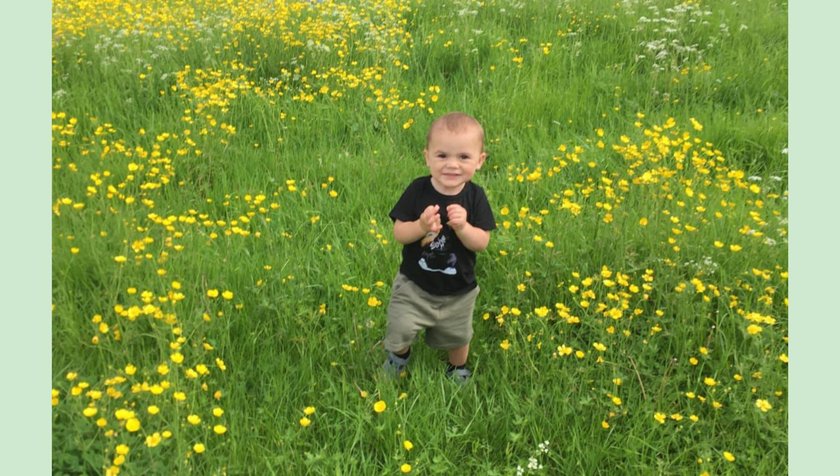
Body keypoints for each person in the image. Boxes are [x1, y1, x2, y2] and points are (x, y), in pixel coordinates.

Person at [382, 112, 496, 383]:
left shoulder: (475, 197)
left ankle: (457, 369)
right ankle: (398, 359)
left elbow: (482, 243)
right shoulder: (418, 190)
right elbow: (399, 232)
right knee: (399, 328)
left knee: (458, 336)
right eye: (442, 156)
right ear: (427, 157)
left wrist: (463, 228)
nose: (452, 165)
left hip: (459, 291)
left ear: (479, 161)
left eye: (463, 157)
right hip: (414, 285)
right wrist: (420, 227)